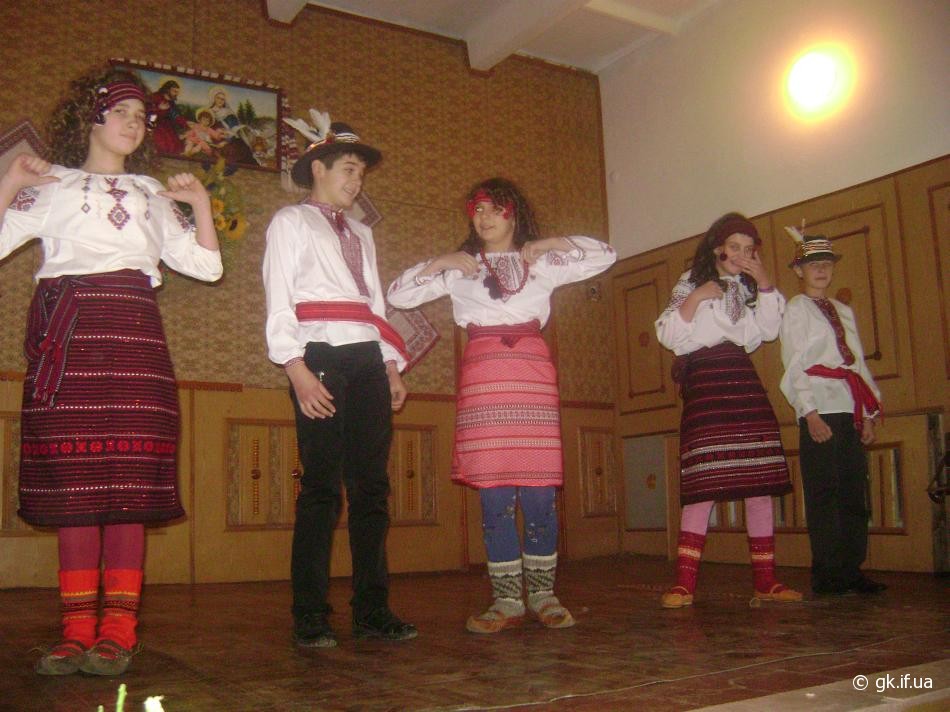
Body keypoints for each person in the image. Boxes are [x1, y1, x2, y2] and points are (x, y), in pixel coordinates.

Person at [0, 66, 222, 676]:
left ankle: (119, 631)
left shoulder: (152, 192)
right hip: (69, 337)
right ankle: (75, 631)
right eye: (121, 111)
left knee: (126, 482)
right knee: (76, 487)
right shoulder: (53, 185)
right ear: (91, 116)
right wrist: (10, 180)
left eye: (141, 117)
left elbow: (206, 267)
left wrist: (200, 203)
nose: (134, 124)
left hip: (135, 334)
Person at [388, 177, 616, 633]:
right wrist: (440, 262)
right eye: (478, 209)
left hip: (532, 380)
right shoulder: (462, 269)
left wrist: (549, 243)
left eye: (495, 208)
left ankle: (545, 595)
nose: (485, 217)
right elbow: (397, 294)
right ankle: (508, 600)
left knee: (539, 493)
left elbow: (605, 254)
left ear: (515, 214)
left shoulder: (543, 262)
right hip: (484, 381)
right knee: (494, 495)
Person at [263, 112, 416, 648]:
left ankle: (372, 608)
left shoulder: (363, 234)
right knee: (322, 489)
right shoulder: (290, 222)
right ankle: (309, 613)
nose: (357, 181)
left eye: (361, 173)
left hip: (367, 358)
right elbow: (279, 299)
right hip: (319, 355)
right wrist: (296, 369)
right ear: (319, 169)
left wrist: (390, 365)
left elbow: (374, 306)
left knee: (371, 487)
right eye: (349, 169)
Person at [654, 212, 801, 608]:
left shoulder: (750, 289)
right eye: (734, 247)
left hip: (742, 380)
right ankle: (684, 583)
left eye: (748, 249)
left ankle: (766, 581)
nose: (740, 255)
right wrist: (697, 297)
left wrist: (765, 281)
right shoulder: (690, 281)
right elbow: (669, 333)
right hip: (706, 382)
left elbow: (767, 331)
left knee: (758, 482)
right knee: (703, 483)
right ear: (718, 248)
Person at [779, 229, 885, 596]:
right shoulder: (796, 309)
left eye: (826, 264)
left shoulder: (843, 311)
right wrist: (809, 413)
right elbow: (794, 364)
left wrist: (868, 412)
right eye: (813, 265)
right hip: (820, 410)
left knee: (853, 491)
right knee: (824, 493)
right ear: (799, 271)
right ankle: (827, 573)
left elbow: (857, 364)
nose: (821, 270)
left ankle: (852, 569)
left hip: (848, 407)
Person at [148, 79, 187, 155]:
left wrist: (185, 123)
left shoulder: (171, 102)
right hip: (154, 125)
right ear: (167, 90)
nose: (176, 94)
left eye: (177, 92)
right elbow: (148, 112)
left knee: (175, 144)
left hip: (166, 125)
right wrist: (158, 109)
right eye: (174, 91)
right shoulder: (155, 97)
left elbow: (175, 115)